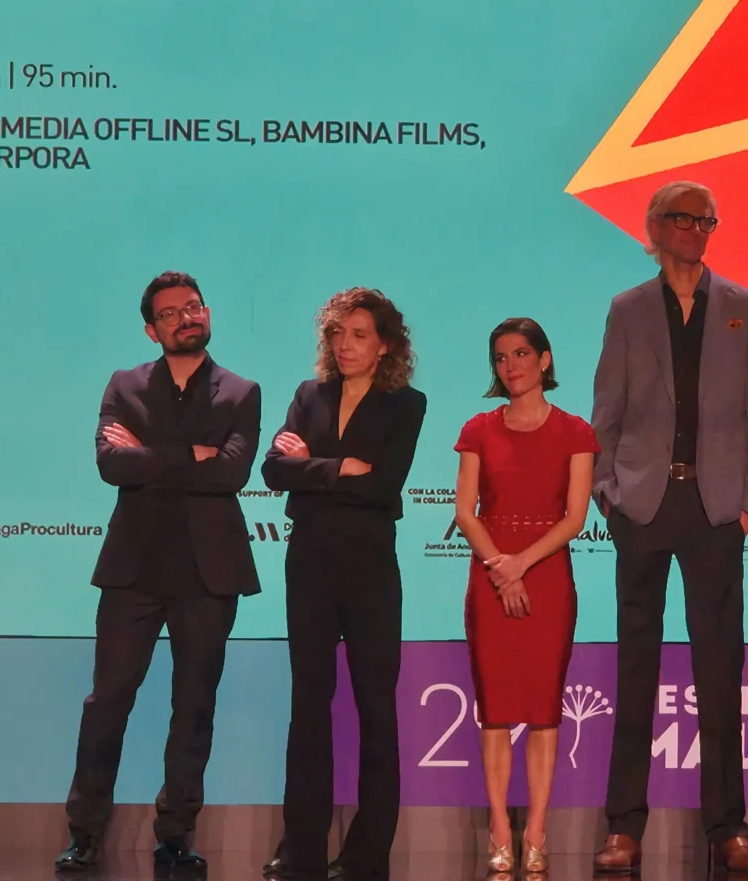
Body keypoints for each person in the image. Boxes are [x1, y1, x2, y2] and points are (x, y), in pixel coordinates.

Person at [591, 181, 748, 877]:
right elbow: (606, 415)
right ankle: (623, 826)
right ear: (655, 226)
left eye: (708, 221)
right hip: (642, 506)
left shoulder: (744, 308)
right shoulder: (628, 309)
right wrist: (609, 497)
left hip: (715, 510)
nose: (698, 230)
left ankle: (728, 829)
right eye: (685, 218)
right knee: (635, 669)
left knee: (720, 671)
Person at [57, 272, 264, 876]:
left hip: (209, 572)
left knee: (194, 707)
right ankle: (85, 832)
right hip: (134, 570)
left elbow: (231, 474)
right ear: (152, 330)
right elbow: (110, 464)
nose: (184, 318)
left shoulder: (241, 391)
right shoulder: (125, 384)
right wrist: (190, 455)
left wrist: (148, 457)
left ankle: (176, 834)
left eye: (192, 307)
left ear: (207, 313)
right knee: (107, 703)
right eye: (170, 313)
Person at [263, 289, 426, 881]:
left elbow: (383, 486)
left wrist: (310, 466)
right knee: (308, 706)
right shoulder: (309, 395)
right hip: (308, 564)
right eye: (337, 333)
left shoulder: (406, 404)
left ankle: (367, 854)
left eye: (359, 335)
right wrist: (338, 468)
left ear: (384, 345)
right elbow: (273, 470)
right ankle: (300, 850)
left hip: (370, 570)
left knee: (376, 709)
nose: (345, 345)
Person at [453, 317, 598, 875]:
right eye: (500, 357)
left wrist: (521, 565)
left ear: (544, 359)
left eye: (520, 354)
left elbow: (575, 517)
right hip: (491, 577)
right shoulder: (478, 429)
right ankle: (499, 827)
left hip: (547, 580)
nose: (510, 365)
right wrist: (501, 567)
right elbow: (466, 511)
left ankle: (536, 829)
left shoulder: (576, 432)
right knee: (493, 713)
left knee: (543, 711)